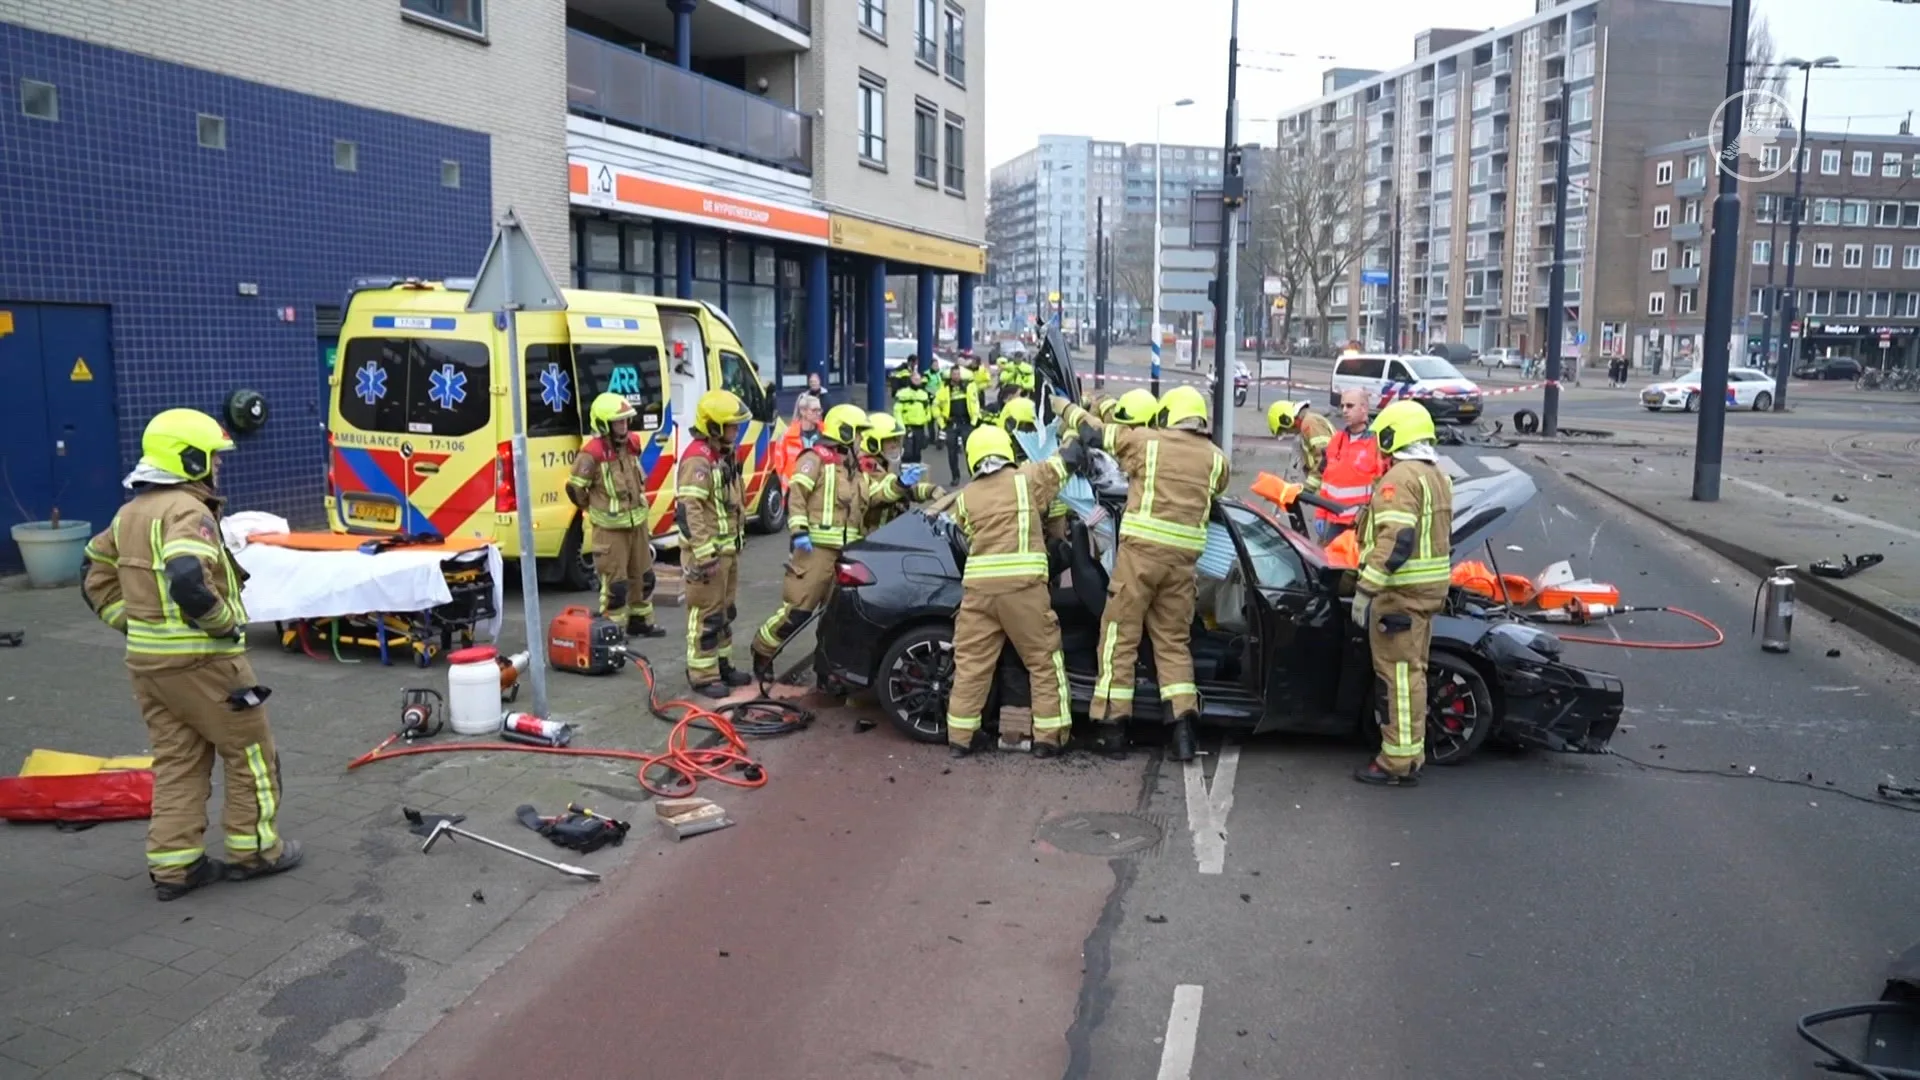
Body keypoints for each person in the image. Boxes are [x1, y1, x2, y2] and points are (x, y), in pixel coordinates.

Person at [81, 408, 302, 900]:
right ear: (190, 458)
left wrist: (133, 623)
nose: (218, 467)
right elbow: (187, 577)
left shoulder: (129, 513)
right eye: (214, 459)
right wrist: (223, 623)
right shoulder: (187, 510)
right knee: (251, 755)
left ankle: (175, 867)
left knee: (178, 761)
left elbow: (93, 575)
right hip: (206, 663)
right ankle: (256, 851)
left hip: (149, 667)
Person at [1058, 384, 1230, 762]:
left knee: (1119, 634)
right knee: (1172, 642)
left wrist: (1065, 406)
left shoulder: (1148, 443)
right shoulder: (1216, 459)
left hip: (1140, 560)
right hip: (1183, 566)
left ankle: (1113, 730)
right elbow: (1215, 491)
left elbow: (1094, 432)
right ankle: (1183, 731)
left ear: (1167, 415)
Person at [944, 425, 1088, 759]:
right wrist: (1072, 433)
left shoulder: (966, 497)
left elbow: (962, 533)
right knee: (1043, 660)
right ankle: (1048, 738)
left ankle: (961, 738)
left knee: (972, 666)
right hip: (1023, 590)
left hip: (979, 594)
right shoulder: (1027, 479)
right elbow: (1068, 461)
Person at [1351, 400, 1454, 787]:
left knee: (1395, 680)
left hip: (1400, 595)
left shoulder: (1400, 477)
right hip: (1426, 594)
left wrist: (1366, 588)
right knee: (1413, 675)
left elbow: (1397, 539)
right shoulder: (1436, 476)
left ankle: (1396, 761)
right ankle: (1411, 754)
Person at [752, 404, 870, 681]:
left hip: (844, 554)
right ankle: (762, 650)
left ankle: (827, 670)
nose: (860, 440)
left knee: (834, 618)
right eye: (858, 434)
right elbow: (796, 494)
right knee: (798, 611)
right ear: (844, 431)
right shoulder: (815, 458)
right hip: (814, 550)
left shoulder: (851, 466)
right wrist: (798, 532)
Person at [677, 389, 755, 699]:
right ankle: (702, 674)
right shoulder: (698, 459)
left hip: (726, 550)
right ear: (713, 426)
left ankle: (722, 665)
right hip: (707, 555)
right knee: (706, 614)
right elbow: (690, 509)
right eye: (731, 426)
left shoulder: (723, 454)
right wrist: (704, 552)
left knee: (725, 611)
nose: (735, 432)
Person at [567, 394, 665, 639]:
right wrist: (594, 508)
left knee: (644, 577)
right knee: (616, 585)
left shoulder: (631, 445)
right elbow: (575, 488)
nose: (624, 426)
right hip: (610, 531)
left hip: (637, 524)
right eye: (618, 422)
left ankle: (640, 622)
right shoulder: (591, 454)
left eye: (625, 421)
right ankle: (612, 630)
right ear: (603, 424)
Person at [1315, 388, 1387, 545]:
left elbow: (1383, 485)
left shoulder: (1376, 443)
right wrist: (1321, 513)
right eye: (1342, 406)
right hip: (1335, 521)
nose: (1344, 411)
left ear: (1364, 408)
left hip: (1361, 523)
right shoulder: (1337, 440)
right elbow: (1327, 481)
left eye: (1350, 406)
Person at [998, 396, 1072, 543]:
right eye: (1025, 427)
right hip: (1044, 516)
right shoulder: (1044, 447)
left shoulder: (1005, 452)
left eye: (1031, 427)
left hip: (1045, 517)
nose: (1029, 432)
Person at [860, 413, 943, 532]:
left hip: (885, 532)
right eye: (889, 440)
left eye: (896, 439)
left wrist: (931, 491)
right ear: (872, 444)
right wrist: (901, 484)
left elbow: (904, 491)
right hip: (871, 535)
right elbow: (878, 495)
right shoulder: (865, 467)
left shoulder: (884, 464)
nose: (895, 444)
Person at [1266, 399, 1336, 499]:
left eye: (1285, 430)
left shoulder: (1310, 424)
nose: (1289, 432)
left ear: (1287, 420)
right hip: (1331, 486)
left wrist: (1308, 489)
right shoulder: (1306, 425)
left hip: (1336, 486)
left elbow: (1326, 458)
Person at [770, 392, 823, 482]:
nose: (818, 413)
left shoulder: (826, 434)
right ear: (803, 411)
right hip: (795, 490)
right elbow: (780, 468)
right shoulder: (786, 436)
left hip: (819, 489)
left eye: (819, 410)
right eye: (814, 410)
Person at [944, 366, 977, 485]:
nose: (956, 376)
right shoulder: (945, 388)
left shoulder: (968, 387)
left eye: (958, 374)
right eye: (954, 374)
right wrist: (941, 422)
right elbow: (936, 405)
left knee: (970, 451)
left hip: (966, 423)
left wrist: (974, 421)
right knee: (951, 452)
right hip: (951, 423)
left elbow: (975, 403)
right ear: (951, 375)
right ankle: (955, 477)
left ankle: (973, 475)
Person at [894, 369, 934, 464]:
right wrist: (901, 426)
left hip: (920, 427)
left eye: (919, 379)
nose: (917, 381)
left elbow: (927, 408)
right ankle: (905, 475)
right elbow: (897, 410)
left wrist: (927, 418)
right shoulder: (903, 393)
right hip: (908, 427)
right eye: (915, 379)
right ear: (910, 380)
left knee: (917, 452)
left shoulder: (923, 394)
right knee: (907, 453)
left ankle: (916, 474)